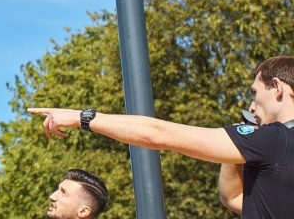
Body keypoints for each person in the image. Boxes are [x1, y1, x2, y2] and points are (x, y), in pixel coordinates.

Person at [29, 55, 294, 219]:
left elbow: (157, 135)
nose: (251, 107)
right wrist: (237, 149)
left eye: (255, 93)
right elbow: (234, 199)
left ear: (277, 89)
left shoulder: (274, 140)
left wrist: (82, 118)